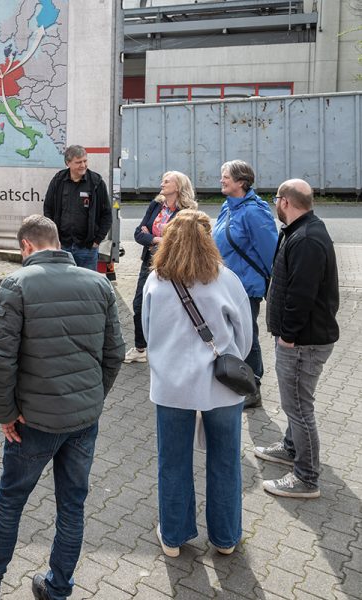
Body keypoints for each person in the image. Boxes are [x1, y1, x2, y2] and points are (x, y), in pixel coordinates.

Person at [0, 215, 124, 600]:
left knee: (11, 498)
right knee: (72, 505)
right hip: (83, 420)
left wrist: (5, 414)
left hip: (32, 422)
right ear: (57, 242)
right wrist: (93, 398)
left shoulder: (16, 284)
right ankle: (58, 588)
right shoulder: (99, 283)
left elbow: (0, 360)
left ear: (27, 247)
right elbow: (114, 353)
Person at [142, 210, 252, 558]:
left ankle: (173, 536)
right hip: (221, 386)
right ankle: (225, 537)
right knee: (225, 460)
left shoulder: (155, 282)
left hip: (172, 386)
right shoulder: (226, 279)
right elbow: (245, 338)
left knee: (172, 461)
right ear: (209, 238)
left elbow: (147, 333)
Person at [254, 179, 339, 499]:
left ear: (286, 202)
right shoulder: (299, 231)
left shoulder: (305, 238)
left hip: (303, 342)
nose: (275, 204)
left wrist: (288, 336)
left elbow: (301, 295)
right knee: (297, 406)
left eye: (276, 198)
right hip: (301, 338)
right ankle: (290, 447)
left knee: (299, 408)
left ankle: (306, 478)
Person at [212, 160, 278, 408]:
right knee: (230, 335)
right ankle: (236, 378)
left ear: (241, 181)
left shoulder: (254, 211)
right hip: (225, 284)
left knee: (247, 336)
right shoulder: (228, 206)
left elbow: (271, 253)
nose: (221, 180)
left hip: (246, 288)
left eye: (226, 176)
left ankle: (253, 387)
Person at [124, 171, 197, 364]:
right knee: (139, 304)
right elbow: (138, 233)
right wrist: (158, 238)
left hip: (173, 265)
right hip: (149, 262)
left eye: (166, 181)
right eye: (162, 180)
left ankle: (169, 349)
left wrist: (154, 238)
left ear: (178, 187)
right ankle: (141, 348)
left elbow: (181, 241)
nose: (161, 183)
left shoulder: (187, 211)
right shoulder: (156, 205)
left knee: (170, 307)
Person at [43, 145, 112, 270]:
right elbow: (48, 208)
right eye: (78, 162)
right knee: (62, 285)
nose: (83, 165)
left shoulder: (96, 183)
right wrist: (53, 237)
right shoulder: (58, 180)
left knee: (87, 286)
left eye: (85, 161)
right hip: (62, 246)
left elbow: (106, 214)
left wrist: (97, 240)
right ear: (68, 163)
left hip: (87, 249)